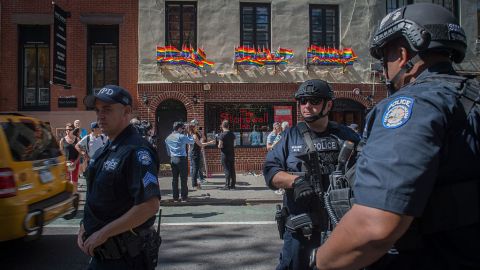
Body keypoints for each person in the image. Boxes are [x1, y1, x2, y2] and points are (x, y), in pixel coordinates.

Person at [315, 3, 480, 270]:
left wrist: (320, 261)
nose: (384, 70)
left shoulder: (413, 105)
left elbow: (373, 227)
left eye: (385, 59)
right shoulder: (470, 99)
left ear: (403, 56)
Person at [263, 79, 360, 270]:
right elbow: (270, 170)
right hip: (301, 230)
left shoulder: (346, 136)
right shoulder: (290, 136)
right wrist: (296, 181)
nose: (307, 106)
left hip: (340, 226)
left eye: (314, 101)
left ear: (328, 104)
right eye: (303, 101)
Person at [78, 85, 161, 270]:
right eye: (98, 110)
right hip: (101, 256)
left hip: (124, 259)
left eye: (107, 109)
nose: (100, 115)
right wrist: (85, 225)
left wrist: (102, 234)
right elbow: (97, 196)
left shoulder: (137, 151)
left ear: (127, 112)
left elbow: (149, 205)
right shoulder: (104, 150)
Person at [165, 121, 194, 202]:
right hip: (181, 159)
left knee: (174, 179)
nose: (183, 129)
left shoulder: (168, 137)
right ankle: (184, 197)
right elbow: (192, 141)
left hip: (173, 158)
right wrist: (188, 132)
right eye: (182, 128)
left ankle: (175, 197)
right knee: (183, 178)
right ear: (179, 128)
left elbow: (168, 151)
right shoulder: (182, 136)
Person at [188, 121, 215, 190]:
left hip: (196, 152)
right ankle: (194, 184)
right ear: (193, 127)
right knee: (195, 169)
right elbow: (200, 144)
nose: (197, 127)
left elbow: (203, 139)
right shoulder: (193, 135)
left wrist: (201, 133)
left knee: (196, 168)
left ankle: (196, 184)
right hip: (194, 153)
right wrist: (210, 142)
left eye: (197, 125)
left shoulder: (196, 133)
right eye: (196, 126)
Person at [59, 123, 81, 187]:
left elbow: (80, 153)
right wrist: (65, 161)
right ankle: (69, 195)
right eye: (66, 130)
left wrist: (75, 162)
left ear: (73, 130)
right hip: (66, 162)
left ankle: (75, 193)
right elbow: (61, 152)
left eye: (69, 129)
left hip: (75, 161)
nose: (67, 131)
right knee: (67, 180)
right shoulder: (62, 140)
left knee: (74, 180)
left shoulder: (77, 139)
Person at [218, 120, 236, 190]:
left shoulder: (222, 135)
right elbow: (235, 144)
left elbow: (220, 145)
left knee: (226, 169)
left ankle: (227, 185)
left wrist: (219, 146)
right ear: (228, 126)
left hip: (224, 154)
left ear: (222, 126)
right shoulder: (232, 134)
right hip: (231, 153)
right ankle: (233, 185)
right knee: (232, 169)